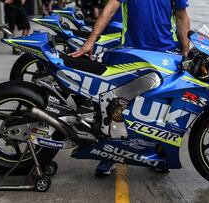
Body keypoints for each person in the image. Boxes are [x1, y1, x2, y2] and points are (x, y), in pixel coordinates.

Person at [70, 0, 190, 175]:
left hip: (165, 53)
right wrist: (90, 41)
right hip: (132, 52)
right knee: (117, 104)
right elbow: (110, 9)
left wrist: (186, 49)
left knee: (163, 108)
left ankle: (159, 153)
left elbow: (181, 16)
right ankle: (109, 154)